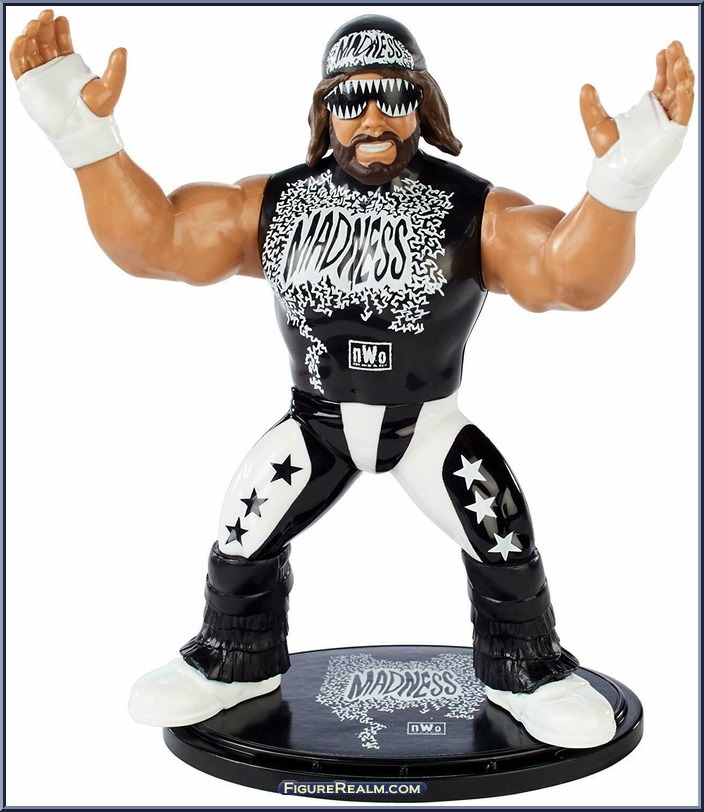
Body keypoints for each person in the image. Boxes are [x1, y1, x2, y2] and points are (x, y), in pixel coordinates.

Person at [11, 10, 694, 749]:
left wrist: (621, 184)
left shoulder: (474, 211)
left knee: (502, 536)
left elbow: (565, 277)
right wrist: (85, 142)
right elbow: (162, 242)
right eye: (351, 99)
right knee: (242, 531)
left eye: (392, 98)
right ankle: (232, 660)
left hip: (428, 425)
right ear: (324, 110)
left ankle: (526, 670)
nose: (372, 120)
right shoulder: (277, 204)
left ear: (422, 107)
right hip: (318, 422)